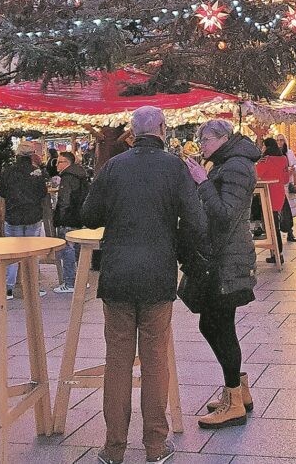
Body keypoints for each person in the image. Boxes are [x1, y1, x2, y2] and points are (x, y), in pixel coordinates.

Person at [82, 106, 206, 464]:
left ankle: (113, 448)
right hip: (157, 275)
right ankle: (155, 446)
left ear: (132, 133)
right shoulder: (174, 168)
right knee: (155, 360)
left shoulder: (114, 166)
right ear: (163, 130)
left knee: (117, 361)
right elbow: (196, 222)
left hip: (117, 275)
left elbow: (89, 216)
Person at [186, 119, 259, 430]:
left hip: (228, 257)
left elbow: (225, 214)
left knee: (218, 324)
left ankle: (233, 402)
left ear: (223, 138)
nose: (202, 145)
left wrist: (202, 181)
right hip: (223, 254)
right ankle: (238, 390)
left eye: (206, 139)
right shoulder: (229, 162)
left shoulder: (237, 166)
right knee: (214, 323)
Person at [0, 141, 49, 300]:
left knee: (12, 252)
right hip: (33, 215)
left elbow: (2, 192)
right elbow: (42, 192)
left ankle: (8, 288)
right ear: (32, 154)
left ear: (17, 154)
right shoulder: (36, 172)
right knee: (32, 252)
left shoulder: (7, 171)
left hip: (13, 215)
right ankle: (32, 286)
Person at [53, 151, 89, 294]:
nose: (57, 165)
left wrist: (60, 217)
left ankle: (70, 282)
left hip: (68, 217)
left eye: (59, 162)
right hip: (79, 217)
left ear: (67, 163)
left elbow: (65, 200)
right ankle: (81, 280)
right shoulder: (81, 175)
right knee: (78, 249)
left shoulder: (68, 177)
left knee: (67, 249)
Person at [255, 138, 290, 265]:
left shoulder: (265, 160)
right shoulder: (283, 159)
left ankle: (276, 253)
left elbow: (256, 174)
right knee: (274, 224)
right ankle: (277, 253)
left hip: (266, 194)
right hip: (279, 194)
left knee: (270, 226)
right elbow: (286, 179)